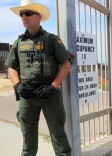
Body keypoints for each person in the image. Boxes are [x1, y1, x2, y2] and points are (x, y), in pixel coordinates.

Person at [5, 0, 73, 155]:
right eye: (22, 14)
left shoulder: (51, 40)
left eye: (28, 13)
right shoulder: (18, 43)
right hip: (27, 96)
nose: (24, 17)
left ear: (39, 16)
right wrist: (18, 85)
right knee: (28, 139)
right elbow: (11, 68)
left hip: (49, 94)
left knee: (58, 136)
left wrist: (53, 86)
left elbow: (65, 64)